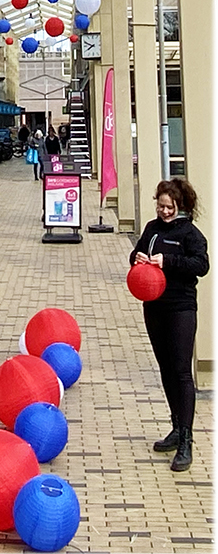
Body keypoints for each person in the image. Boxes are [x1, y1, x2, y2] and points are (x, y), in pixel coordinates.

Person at [130, 178, 209, 473]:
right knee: (165, 368)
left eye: (168, 207)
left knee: (180, 371)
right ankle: (176, 426)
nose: (163, 211)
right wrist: (137, 258)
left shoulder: (190, 233)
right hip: (154, 306)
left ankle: (187, 438)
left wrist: (169, 262)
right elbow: (135, 253)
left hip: (181, 308)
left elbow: (201, 265)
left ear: (180, 206)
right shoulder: (151, 230)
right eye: (160, 205)